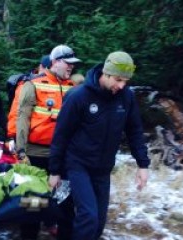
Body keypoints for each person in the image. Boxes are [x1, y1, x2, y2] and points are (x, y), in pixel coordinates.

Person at [48, 51, 150, 240]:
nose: (122, 86)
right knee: (88, 217)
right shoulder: (79, 96)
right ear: (106, 73)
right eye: (118, 80)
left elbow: (135, 131)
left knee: (98, 224)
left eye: (125, 81)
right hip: (77, 165)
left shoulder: (126, 97)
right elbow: (61, 135)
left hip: (103, 168)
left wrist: (142, 165)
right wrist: (55, 171)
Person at [16, 45, 80, 240]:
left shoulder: (74, 89)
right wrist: (20, 150)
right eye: (67, 63)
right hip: (37, 155)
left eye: (73, 64)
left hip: (64, 157)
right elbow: (22, 118)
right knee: (33, 208)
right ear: (54, 62)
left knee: (67, 208)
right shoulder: (33, 84)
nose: (71, 67)